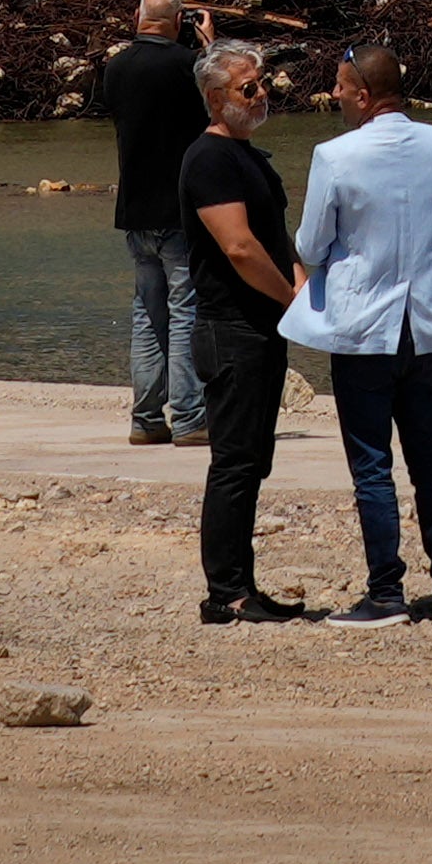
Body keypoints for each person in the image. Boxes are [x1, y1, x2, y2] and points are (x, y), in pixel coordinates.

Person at [283, 33, 432, 618]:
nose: (334, 95)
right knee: (431, 458)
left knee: (372, 464)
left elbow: (310, 245)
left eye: (341, 87)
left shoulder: (336, 155)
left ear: (365, 94)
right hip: (425, 322)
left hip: (364, 327)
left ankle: (386, 593)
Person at [166, 33, 313, 623]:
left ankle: (240, 584)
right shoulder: (208, 158)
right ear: (213, 96)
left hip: (261, 326)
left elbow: (278, 239)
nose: (260, 95)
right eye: (247, 87)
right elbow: (241, 248)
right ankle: (225, 593)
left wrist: (301, 287)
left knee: (253, 459)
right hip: (231, 327)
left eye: (262, 85)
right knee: (235, 462)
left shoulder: (251, 157)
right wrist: (289, 302)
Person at [95, 0, 217, 444]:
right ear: (180, 22)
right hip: (181, 210)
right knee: (185, 310)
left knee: (147, 313)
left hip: (136, 209)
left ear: (138, 17)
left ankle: (146, 418)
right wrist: (211, 45)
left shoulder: (115, 69)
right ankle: (188, 416)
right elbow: (223, 100)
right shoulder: (189, 66)